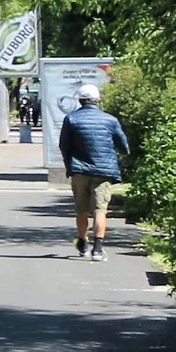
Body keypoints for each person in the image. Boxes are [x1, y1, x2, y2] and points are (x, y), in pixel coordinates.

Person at [59, 81, 131, 260]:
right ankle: (98, 250)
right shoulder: (110, 120)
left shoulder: (71, 119)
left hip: (79, 171)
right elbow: (124, 146)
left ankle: (83, 242)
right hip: (103, 172)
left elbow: (63, 146)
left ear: (81, 101)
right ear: (98, 100)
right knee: (100, 210)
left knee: (81, 210)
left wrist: (70, 166)